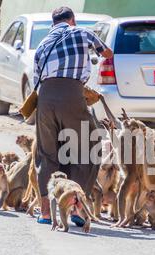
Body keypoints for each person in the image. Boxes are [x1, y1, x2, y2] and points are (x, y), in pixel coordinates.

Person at [34, 7, 114, 225]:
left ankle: (45, 212)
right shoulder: (81, 32)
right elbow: (107, 53)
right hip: (72, 95)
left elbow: (36, 81)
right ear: (72, 20)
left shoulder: (42, 44)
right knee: (88, 146)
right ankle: (77, 207)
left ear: (53, 23)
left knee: (47, 154)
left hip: (45, 99)